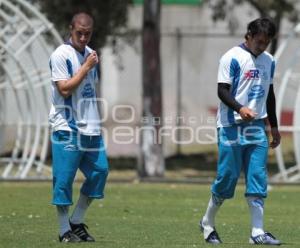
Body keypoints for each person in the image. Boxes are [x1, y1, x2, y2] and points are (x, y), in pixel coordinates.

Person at [199, 17, 281, 245]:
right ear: (249, 36)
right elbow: (222, 91)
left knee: (257, 177)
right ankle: (207, 222)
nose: (262, 46)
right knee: (227, 179)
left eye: (266, 42)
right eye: (259, 41)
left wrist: (273, 126)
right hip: (230, 126)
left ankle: (257, 232)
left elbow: (269, 94)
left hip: (256, 128)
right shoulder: (231, 57)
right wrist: (240, 108)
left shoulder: (269, 61)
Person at [49, 12, 109, 243]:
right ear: (70, 28)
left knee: (100, 173)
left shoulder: (91, 54)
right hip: (67, 127)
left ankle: (76, 221)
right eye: (79, 32)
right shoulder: (60, 55)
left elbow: (90, 91)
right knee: (64, 180)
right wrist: (85, 67)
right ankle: (64, 230)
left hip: (91, 128)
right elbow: (64, 89)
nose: (83, 37)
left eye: (88, 33)